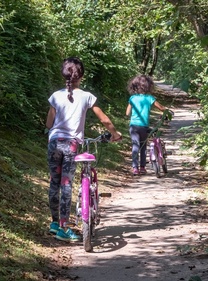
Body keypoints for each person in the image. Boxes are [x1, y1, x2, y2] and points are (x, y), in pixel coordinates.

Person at [45, 57, 122, 242]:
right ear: (82, 75)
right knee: (66, 185)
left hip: (54, 142)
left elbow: (49, 123)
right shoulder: (86, 96)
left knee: (54, 183)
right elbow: (104, 119)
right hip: (71, 144)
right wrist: (115, 133)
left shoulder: (56, 96)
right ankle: (64, 228)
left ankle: (55, 223)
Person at [125, 74, 170, 176]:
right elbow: (161, 108)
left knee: (135, 146)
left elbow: (127, 113)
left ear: (135, 86)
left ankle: (134, 168)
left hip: (133, 126)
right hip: (144, 127)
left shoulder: (132, 98)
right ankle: (142, 168)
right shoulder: (150, 98)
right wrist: (167, 110)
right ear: (148, 86)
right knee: (143, 146)